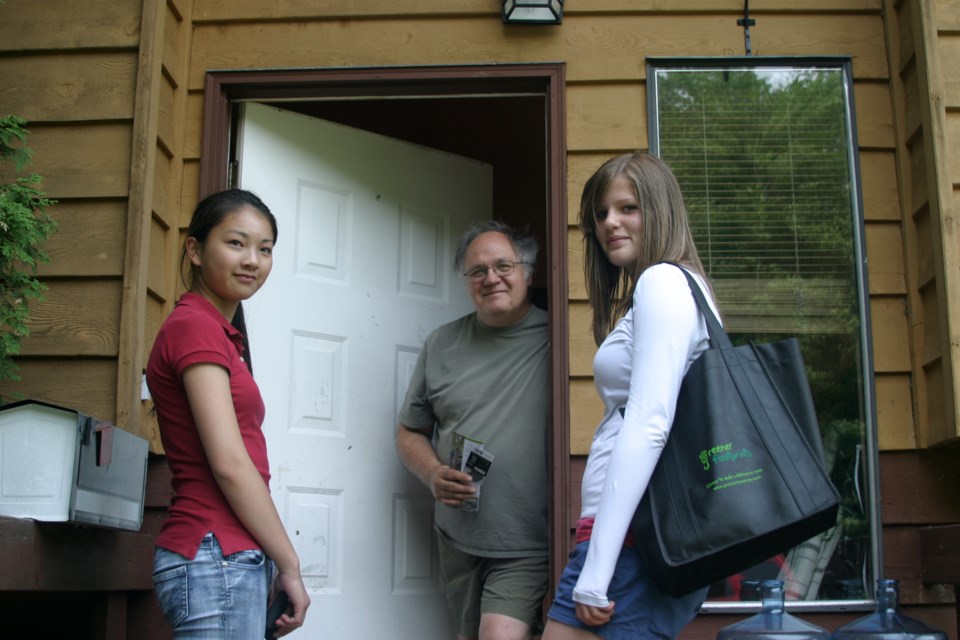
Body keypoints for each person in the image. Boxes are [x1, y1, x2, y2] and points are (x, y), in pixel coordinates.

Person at [543, 152, 719, 639]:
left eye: (628, 208)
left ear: (660, 210)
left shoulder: (663, 282)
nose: (610, 223)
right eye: (600, 213)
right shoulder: (670, 287)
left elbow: (649, 423)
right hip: (633, 536)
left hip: (633, 539)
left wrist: (596, 576)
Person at [146, 189, 310, 638]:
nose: (252, 260)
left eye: (265, 248)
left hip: (225, 556)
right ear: (195, 250)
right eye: (236, 243)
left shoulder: (217, 332)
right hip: (213, 553)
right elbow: (231, 464)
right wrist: (290, 564)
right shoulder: (196, 327)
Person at [395, 220, 550, 640]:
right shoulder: (441, 343)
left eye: (504, 266)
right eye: (477, 271)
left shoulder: (555, 340)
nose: (491, 278)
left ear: (528, 273)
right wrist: (431, 473)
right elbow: (410, 431)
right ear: (466, 282)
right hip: (458, 537)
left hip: (526, 540)